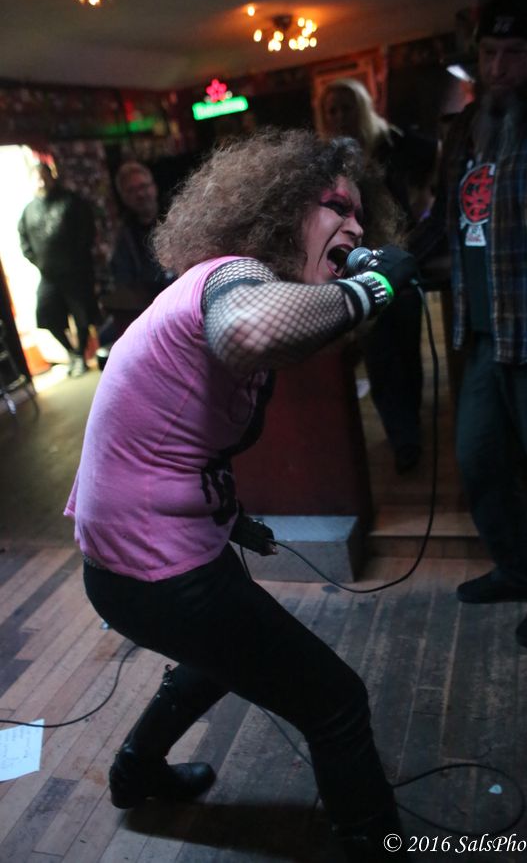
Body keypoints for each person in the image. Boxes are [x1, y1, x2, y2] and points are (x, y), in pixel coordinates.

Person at [65, 130, 418, 861]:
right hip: (151, 570)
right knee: (336, 702)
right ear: (281, 212)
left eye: (362, 216)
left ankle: (135, 771)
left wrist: (231, 518)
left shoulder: (228, 284)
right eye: (338, 207)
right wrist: (372, 288)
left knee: (220, 657)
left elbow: (177, 436)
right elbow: (250, 332)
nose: (357, 227)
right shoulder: (231, 275)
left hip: (154, 553)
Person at [408, 0, 527, 647]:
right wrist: (388, 259)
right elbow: (444, 217)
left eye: (514, 52)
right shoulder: (469, 124)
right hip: (484, 331)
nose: (498, 67)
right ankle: (518, 570)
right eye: (489, 53)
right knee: (480, 460)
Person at [317, 78, 437, 473]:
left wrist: (424, 207)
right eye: (331, 110)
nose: (339, 116)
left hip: (401, 258)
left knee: (407, 350)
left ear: (362, 108)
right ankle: (405, 441)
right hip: (357, 266)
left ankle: (410, 425)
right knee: (380, 355)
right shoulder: (326, 160)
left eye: (346, 107)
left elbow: (435, 158)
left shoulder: (390, 143)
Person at [18, 162, 97, 377]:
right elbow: (24, 241)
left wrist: (77, 260)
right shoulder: (29, 210)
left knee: (81, 316)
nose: (42, 182)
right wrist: (40, 263)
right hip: (48, 274)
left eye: (45, 176)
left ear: (52, 177)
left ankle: (81, 354)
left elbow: (86, 231)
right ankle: (72, 353)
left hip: (74, 271)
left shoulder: (70, 201)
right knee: (47, 315)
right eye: (37, 178)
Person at [101, 161, 174, 341]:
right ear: (124, 198)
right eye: (132, 191)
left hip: (179, 298)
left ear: (153, 188)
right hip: (146, 310)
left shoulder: (176, 218)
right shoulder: (124, 235)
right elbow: (123, 280)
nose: (140, 194)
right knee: (105, 338)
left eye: (143, 186)